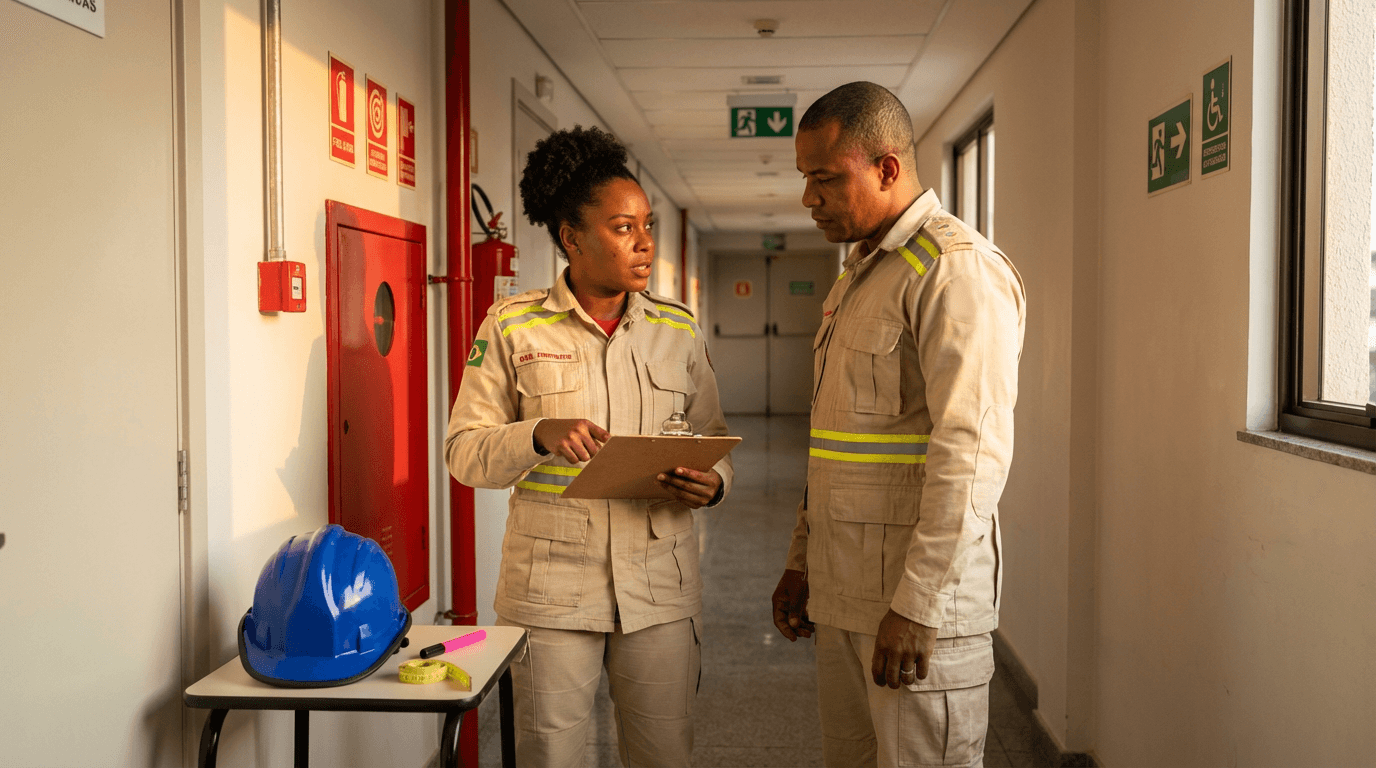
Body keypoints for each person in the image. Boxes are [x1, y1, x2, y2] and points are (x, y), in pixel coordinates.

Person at [445, 125, 732, 768]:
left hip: (659, 584)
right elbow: (464, 452)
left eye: (647, 224)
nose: (646, 242)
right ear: (571, 238)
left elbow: (715, 441)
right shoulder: (513, 323)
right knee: (551, 755)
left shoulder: (676, 329)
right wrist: (537, 434)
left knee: (664, 755)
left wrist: (714, 485)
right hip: (550, 588)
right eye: (623, 227)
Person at [771, 81, 1025, 767]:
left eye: (825, 179)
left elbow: (971, 454)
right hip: (844, 594)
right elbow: (837, 445)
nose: (809, 199)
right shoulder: (861, 276)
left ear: (887, 167)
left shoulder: (953, 271)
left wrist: (919, 606)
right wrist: (803, 562)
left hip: (914, 611)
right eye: (805, 180)